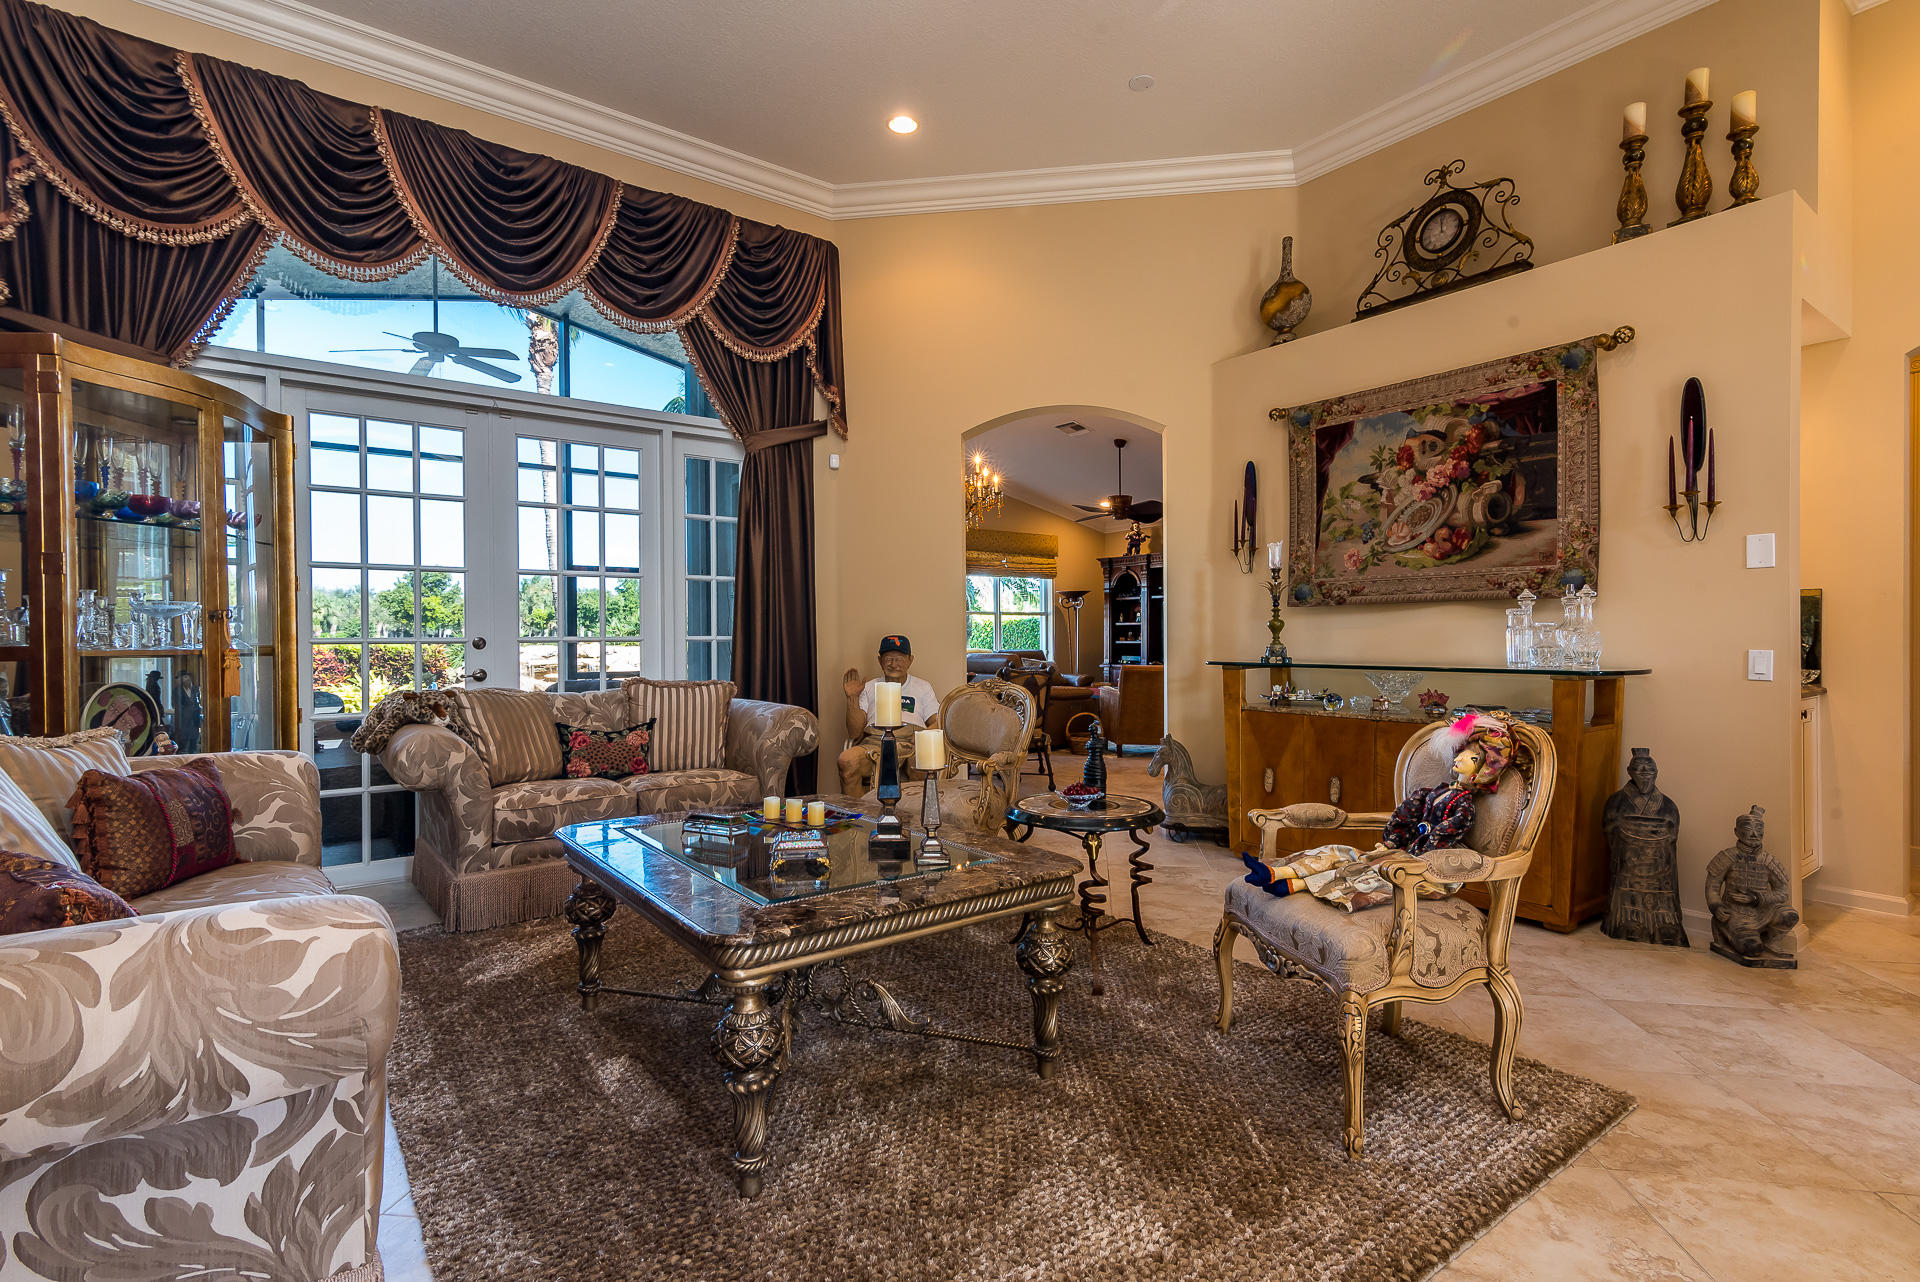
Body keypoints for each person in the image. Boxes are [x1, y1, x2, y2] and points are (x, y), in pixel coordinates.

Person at [837, 634, 940, 795]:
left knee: (921, 761)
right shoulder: (868, 687)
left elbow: (938, 721)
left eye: (899, 659)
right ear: (880, 660)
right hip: (876, 741)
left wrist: (923, 737)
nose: (894, 664)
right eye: (888, 659)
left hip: (911, 742)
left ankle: (914, 811)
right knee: (847, 761)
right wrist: (852, 698)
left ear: (910, 660)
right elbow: (854, 733)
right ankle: (859, 812)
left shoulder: (923, 687)